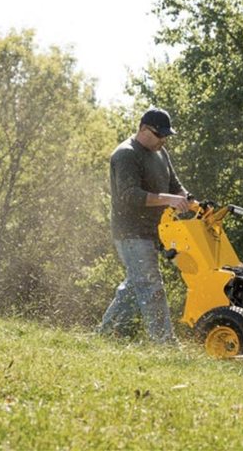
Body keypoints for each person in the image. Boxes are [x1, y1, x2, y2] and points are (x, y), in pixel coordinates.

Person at [98, 108, 191, 344]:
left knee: (134, 287)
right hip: (131, 232)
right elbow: (129, 195)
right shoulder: (126, 154)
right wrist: (168, 199)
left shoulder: (161, 154)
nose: (163, 140)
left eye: (165, 136)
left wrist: (192, 202)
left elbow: (175, 186)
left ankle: (103, 335)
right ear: (142, 129)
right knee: (151, 285)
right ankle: (165, 344)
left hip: (153, 232)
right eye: (159, 135)